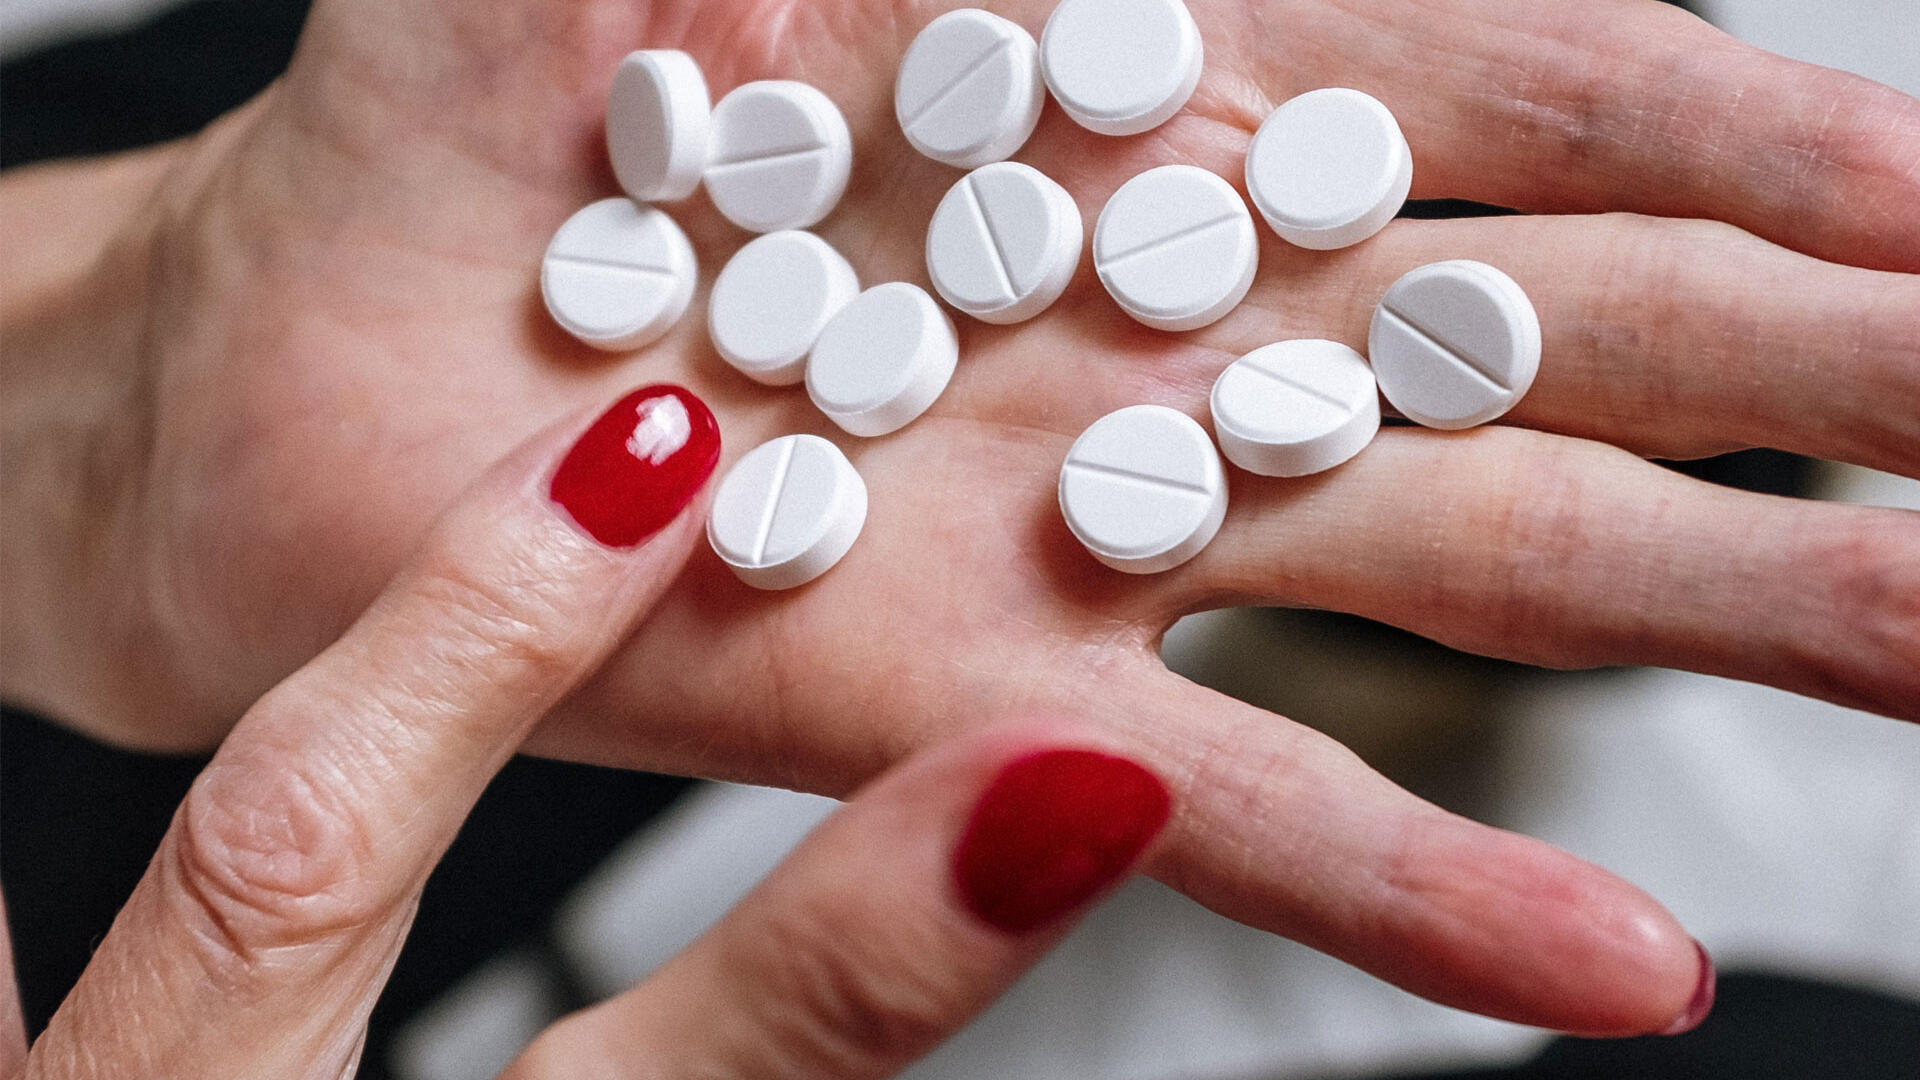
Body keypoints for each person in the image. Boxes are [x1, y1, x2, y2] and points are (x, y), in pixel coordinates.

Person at [2, 0, 1916, 1071]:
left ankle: (114, 339)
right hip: (144, 902)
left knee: (1488, 194)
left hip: (246, 294)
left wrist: (110, 327)